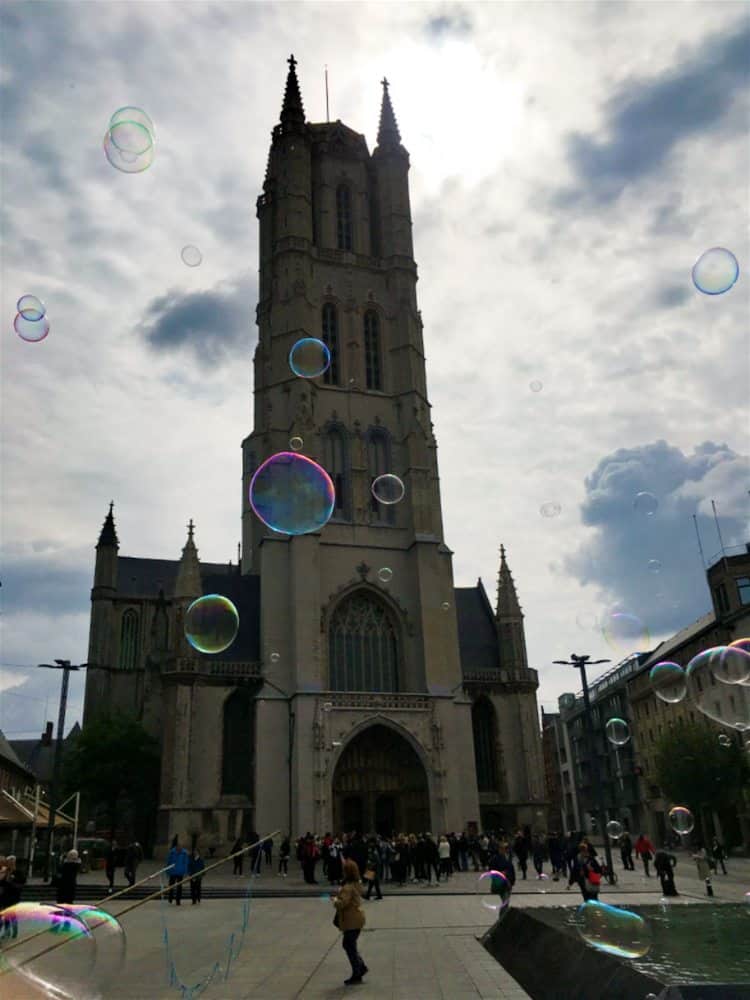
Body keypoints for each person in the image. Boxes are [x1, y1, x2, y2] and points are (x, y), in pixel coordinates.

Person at [332, 858, 368, 986]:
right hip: (357, 919)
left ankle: (357, 972)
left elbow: (342, 904)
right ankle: (361, 967)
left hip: (351, 920)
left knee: (348, 945)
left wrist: (335, 900)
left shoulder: (347, 887)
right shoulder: (357, 883)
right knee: (350, 945)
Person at [166, 836, 189, 905]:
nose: (179, 847)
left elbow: (186, 863)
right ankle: (170, 898)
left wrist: (185, 871)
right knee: (171, 886)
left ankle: (178, 900)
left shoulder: (184, 853)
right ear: (176, 846)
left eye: (180, 846)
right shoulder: (172, 852)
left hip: (180, 872)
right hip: (173, 871)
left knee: (179, 887)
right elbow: (169, 861)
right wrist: (168, 871)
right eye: (178, 846)